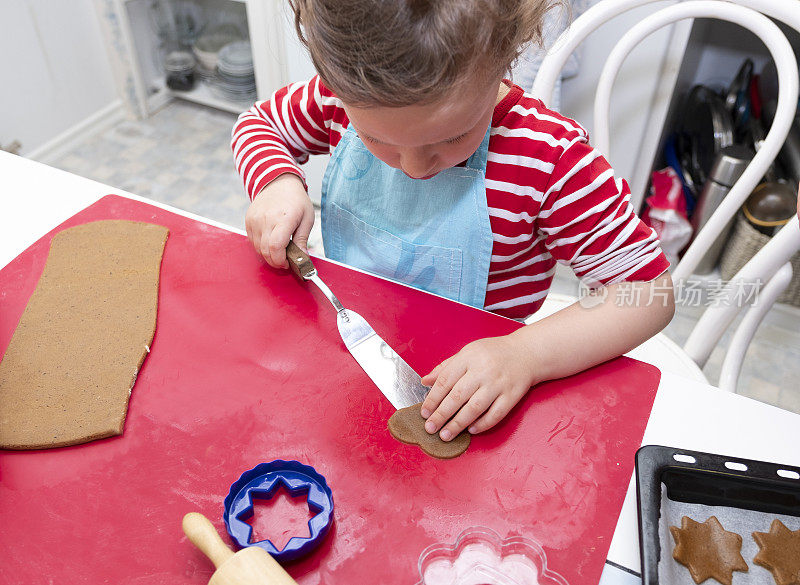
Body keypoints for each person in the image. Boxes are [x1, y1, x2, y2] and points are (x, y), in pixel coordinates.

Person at [232, 0, 675, 444]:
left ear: (505, 58)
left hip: (477, 384)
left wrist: (526, 355)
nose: (414, 167)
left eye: (450, 137)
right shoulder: (338, 97)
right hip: (346, 355)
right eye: (377, 139)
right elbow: (259, 123)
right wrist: (276, 182)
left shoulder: (549, 159)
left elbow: (647, 295)